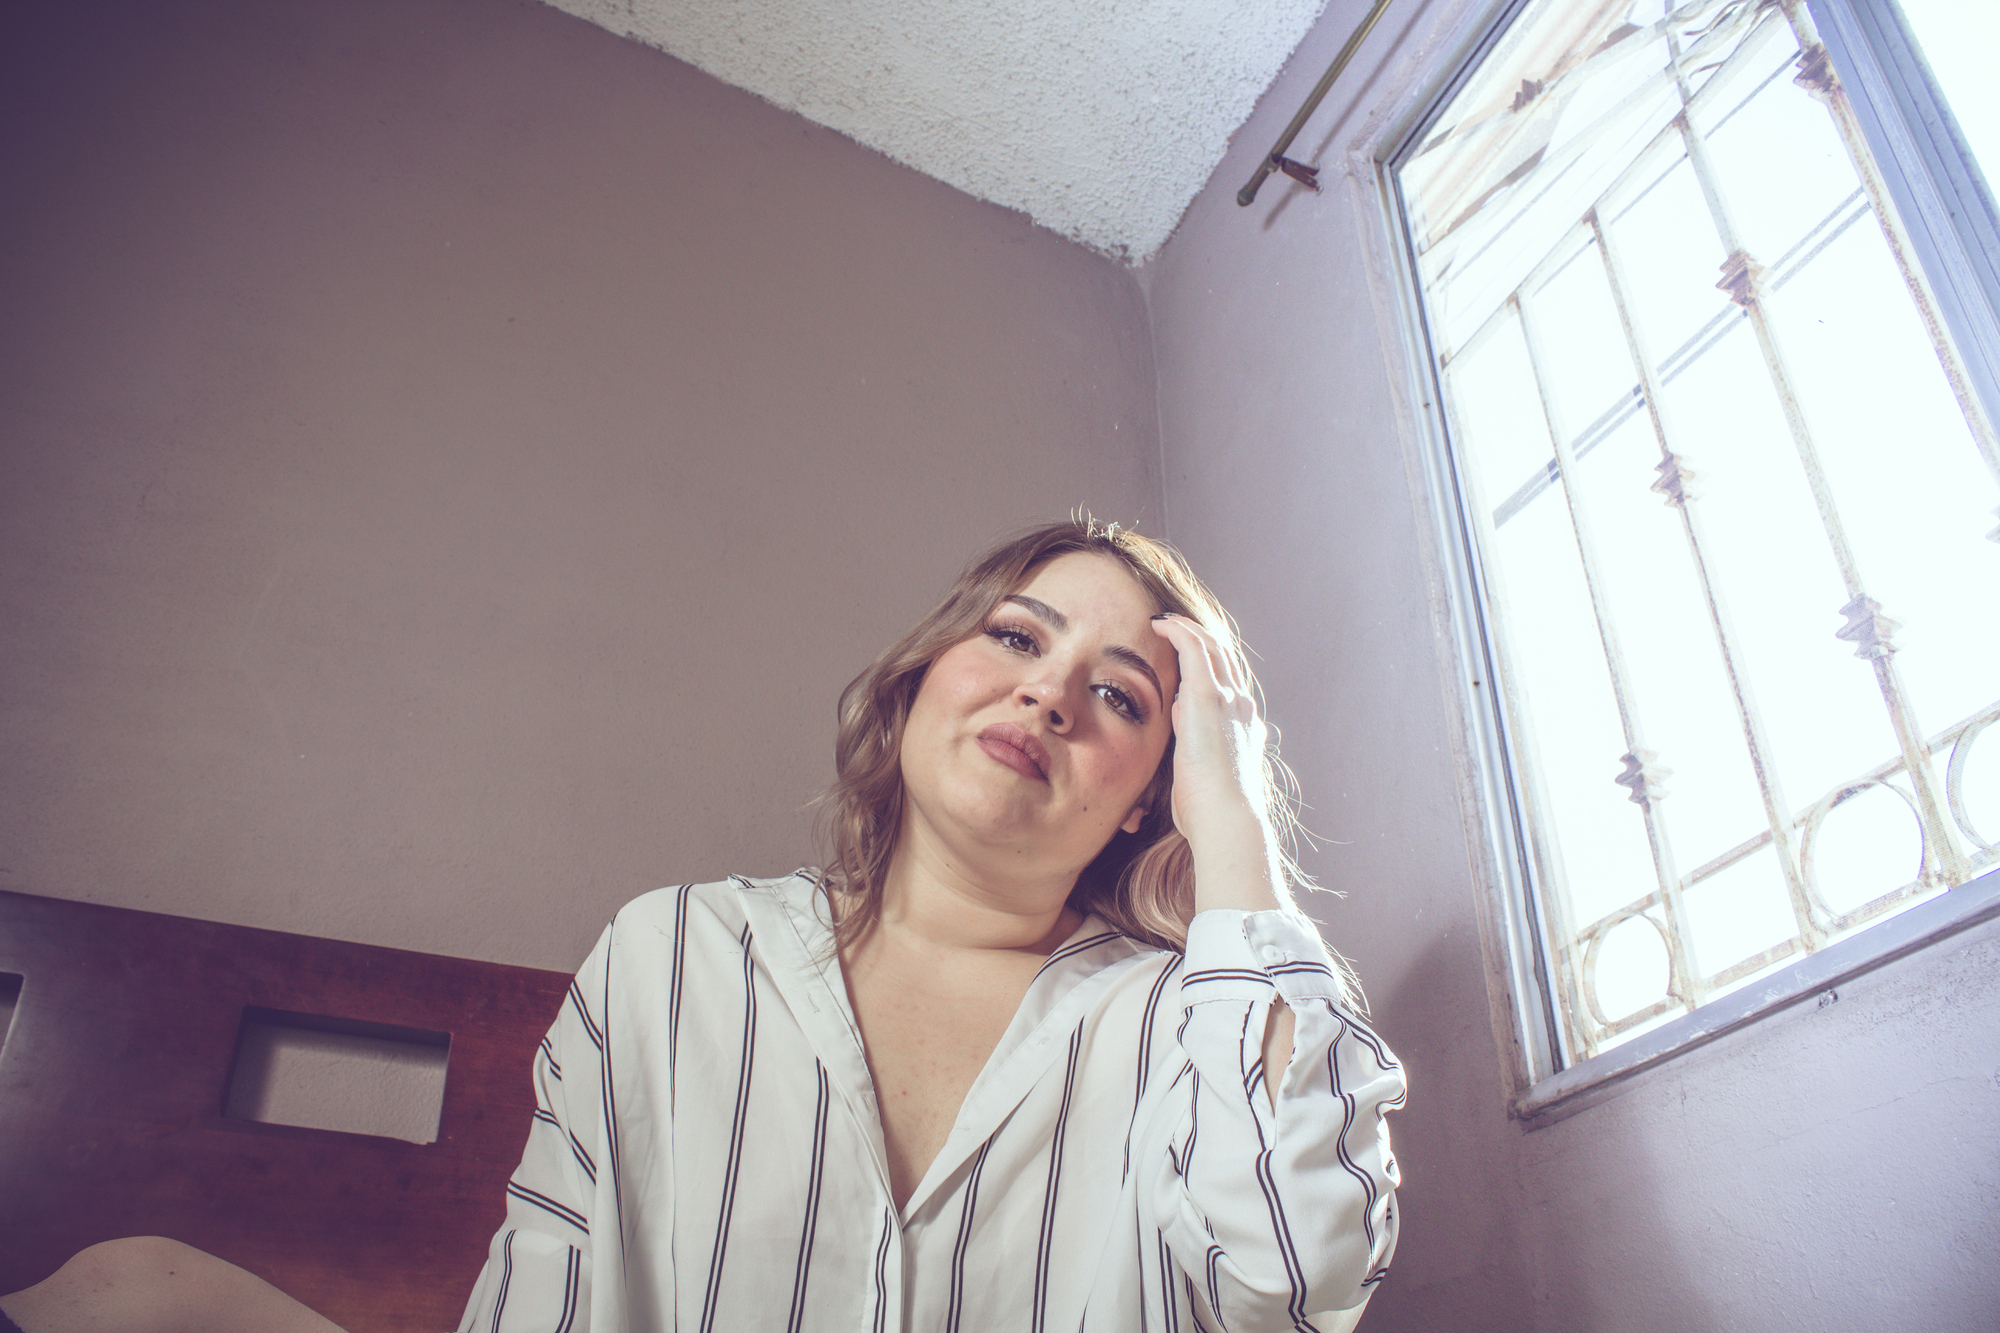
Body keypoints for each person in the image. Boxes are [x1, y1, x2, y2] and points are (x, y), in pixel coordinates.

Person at [0, 518, 1404, 1333]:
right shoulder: (673, 953)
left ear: (1149, 795)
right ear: (923, 678)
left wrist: (1236, 810)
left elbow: (1295, 1261)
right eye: (1021, 639)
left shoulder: (1183, 1020)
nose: (1047, 695)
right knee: (130, 1291)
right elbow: (545, 1293)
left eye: (1123, 696)